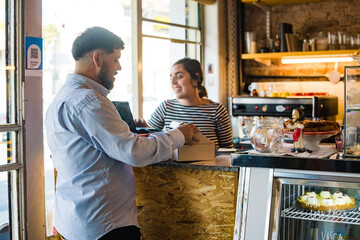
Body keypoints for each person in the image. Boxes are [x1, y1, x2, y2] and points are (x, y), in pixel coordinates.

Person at [45, 27, 199, 240]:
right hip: (105, 225)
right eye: (116, 59)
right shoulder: (91, 102)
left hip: (75, 221)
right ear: (97, 59)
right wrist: (178, 135)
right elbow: (134, 152)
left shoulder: (61, 97)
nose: (119, 67)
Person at [136, 58, 233, 148]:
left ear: (196, 78)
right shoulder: (165, 107)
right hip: (171, 167)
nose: (173, 82)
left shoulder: (217, 110)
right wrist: (144, 130)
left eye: (179, 76)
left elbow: (228, 150)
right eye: (171, 78)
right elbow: (151, 142)